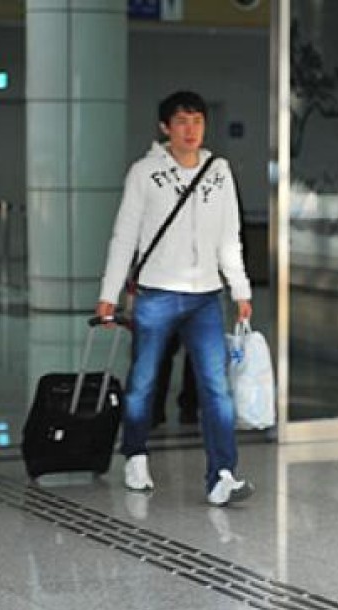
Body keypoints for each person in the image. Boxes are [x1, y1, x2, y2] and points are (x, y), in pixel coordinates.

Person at [95, 90, 254, 507]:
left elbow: (228, 237)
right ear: (165, 127)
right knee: (144, 381)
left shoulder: (219, 171)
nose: (191, 130)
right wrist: (108, 295)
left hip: (206, 297)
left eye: (198, 121)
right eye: (182, 121)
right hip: (157, 294)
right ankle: (135, 454)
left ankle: (222, 474)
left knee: (216, 388)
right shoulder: (145, 173)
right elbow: (124, 236)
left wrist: (240, 289)